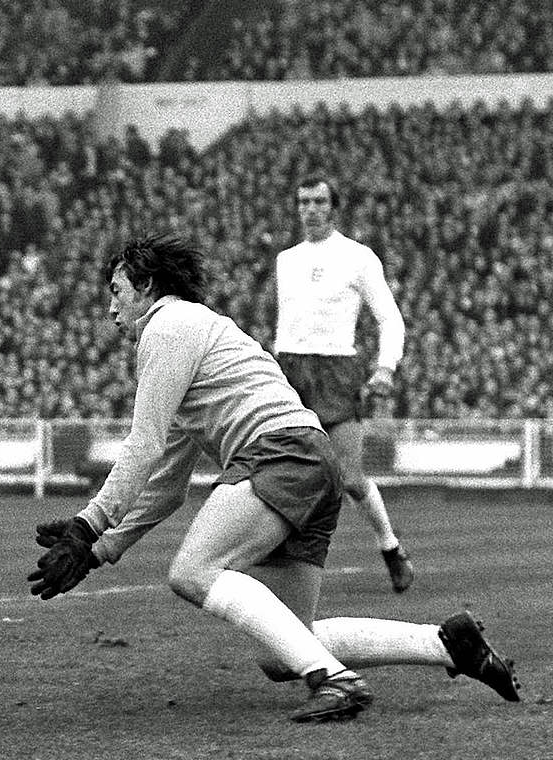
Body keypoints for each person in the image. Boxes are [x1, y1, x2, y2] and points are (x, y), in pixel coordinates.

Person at [27, 235, 520, 722]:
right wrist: (98, 549)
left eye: (116, 291)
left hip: (278, 454)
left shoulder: (167, 325)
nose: (111, 309)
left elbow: (143, 445)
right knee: (282, 650)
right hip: (312, 458)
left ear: (147, 285)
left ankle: (337, 680)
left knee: (192, 572)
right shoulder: (195, 336)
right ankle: (447, 644)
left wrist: (87, 525)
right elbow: (167, 487)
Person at [274, 176, 415, 593]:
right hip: (291, 368)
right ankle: (281, 559)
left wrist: (386, 367)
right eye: (303, 202)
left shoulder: (358, 257)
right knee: (285, 472)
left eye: (319, 201)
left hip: (338, 370)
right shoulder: (286, 259)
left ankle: (390, 548)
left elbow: (389, 318)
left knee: (350, 478)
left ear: (333, 207)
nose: (310, 209)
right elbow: (289, 324)